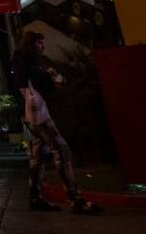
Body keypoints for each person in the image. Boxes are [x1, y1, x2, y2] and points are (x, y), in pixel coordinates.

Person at [13, 31, 102, 214]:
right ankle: (74, 199)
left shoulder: (27, 62)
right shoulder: (28, 63)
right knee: (62, 150)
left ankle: (35, 197)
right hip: (39, 115)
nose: (42, 46)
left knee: (38, 157)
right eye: (39, 43)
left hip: (33, 115)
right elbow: (36, 84)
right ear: (31, 44)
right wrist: (50, 77)